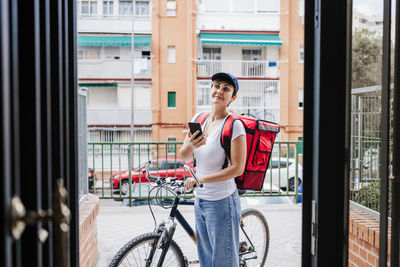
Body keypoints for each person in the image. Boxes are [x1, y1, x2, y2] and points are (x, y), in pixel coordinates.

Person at [179, 72, 247, 267]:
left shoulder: (235, 125)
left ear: (232, 97)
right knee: (206, 260)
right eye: (216, 86)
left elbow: (237, 169)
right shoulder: (198, 119)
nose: (219, 91)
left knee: (223, 262)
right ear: (210, 89)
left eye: (226, 89)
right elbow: (183, 155)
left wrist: (201, 179)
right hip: (200, 200)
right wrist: (191, 146)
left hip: (222, 202)